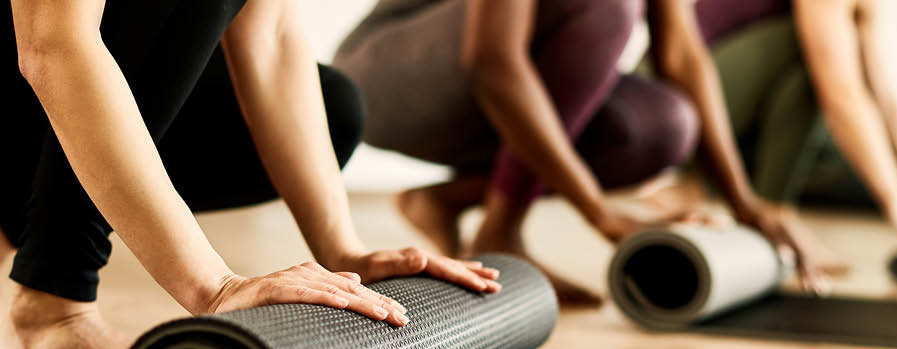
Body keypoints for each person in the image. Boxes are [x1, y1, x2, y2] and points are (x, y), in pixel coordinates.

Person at [0, 0, 499, 349]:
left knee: (334, 106)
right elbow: (53, 45)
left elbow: (267, 33)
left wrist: (344, 248)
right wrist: (213, 288)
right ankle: (48, 315)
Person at [335, 0, 830, 305]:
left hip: (487, 82)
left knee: (661, 127)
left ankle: (450, 200)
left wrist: (745, 202)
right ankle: (501, 229)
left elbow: (679, 55)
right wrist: (601, 214)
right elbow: (494, 63)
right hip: (387, 78)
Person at [683, 0, 897, 262]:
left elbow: (882, 98)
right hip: (678, 109)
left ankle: (737, 201)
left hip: (730, 116)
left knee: (845, 152)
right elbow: (840, 95)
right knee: (814, 61)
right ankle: (772, 213)